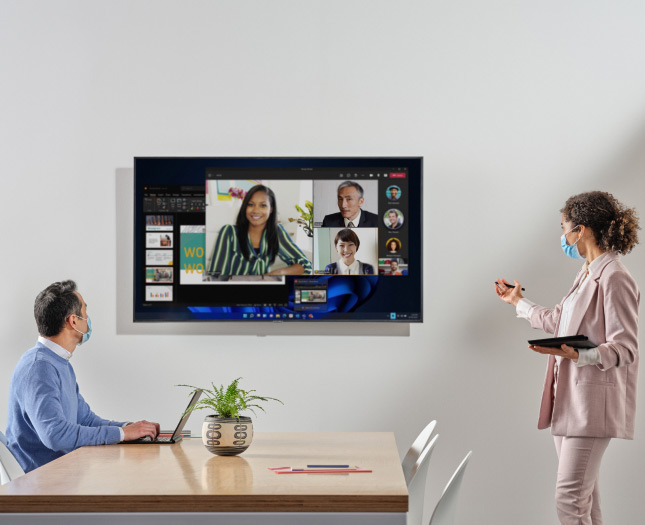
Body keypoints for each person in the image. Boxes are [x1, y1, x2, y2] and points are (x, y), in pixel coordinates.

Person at [495, 191, 640, 525]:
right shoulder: (587, 273)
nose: (563, 237)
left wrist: (577, 352)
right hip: (570, 401)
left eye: (565, 228)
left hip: (591, 405)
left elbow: (626, 348)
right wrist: (518, 302)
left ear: (582, 230)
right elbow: (559, 321)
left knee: (569, 499)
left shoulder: (615, 278)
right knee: (585, 502)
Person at [5, 280, 160, 473]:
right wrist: (121, 434)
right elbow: (55, 435)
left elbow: (85, 419)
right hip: (40, 485)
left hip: (62, 475)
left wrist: (130, 428)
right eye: (85, 312)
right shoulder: (39, 367)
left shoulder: (58, 362)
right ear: (73, 321)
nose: (88, 318)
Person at [208, 185, 312, 277]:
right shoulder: (229, 232)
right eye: (251, 204)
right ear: (245, 207)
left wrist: (276, 273)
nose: (256, 210)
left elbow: (305, 265)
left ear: (271, 209)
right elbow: (215, 274)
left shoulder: (276, 231)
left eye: (263, 205)